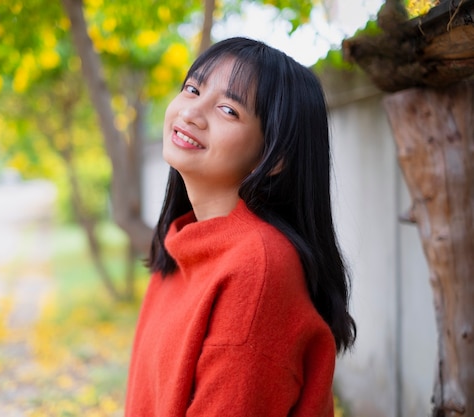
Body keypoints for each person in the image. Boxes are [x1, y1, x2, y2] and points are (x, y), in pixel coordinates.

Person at [125, 37, 356, 416]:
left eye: (228, 110)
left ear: (274, 156)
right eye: (192, 89)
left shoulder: (257, 270)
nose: (192, 112)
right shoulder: (181, 243)